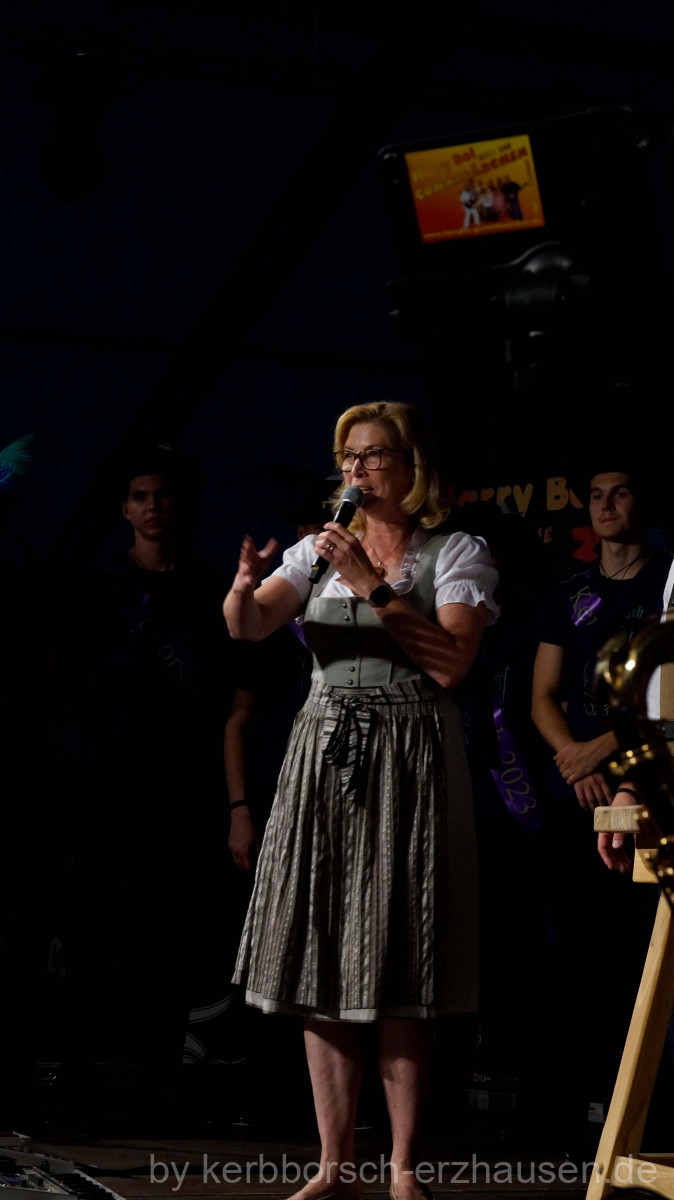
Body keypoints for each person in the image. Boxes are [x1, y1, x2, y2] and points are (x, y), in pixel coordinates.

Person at [223, 400, 499, 1199]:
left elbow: (450, 663)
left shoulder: (455, 552)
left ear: (414, 469)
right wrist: (241, 590)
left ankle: (404, 1166)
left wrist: (373, 585)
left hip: (409, 751)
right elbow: (249, 627)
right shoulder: (318, 548)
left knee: (400, 956)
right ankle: (334, 1163)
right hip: (325, 750)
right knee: (321, 956)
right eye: (349, 457)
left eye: (374, 456)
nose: (357, 471)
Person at [529, 456, 672, 1148]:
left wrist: (606, 750)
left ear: (642, 503)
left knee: (637, 956)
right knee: (570, 952)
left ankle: (642, 1116)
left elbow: (667, 692)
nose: (606, 505)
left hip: (649, 783)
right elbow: (541, 695)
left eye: (620, 493)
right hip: (575, 792)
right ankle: (561, 1115)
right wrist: (572, 757)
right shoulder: (569, 590)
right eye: (595, 496)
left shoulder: (666, 581)